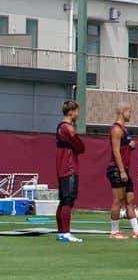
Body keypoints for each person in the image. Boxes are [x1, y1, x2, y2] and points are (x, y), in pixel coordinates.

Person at [106, 104, 138, 239]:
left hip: (125, 169)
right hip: (116, 169)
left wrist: (130, 145)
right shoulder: (116, 129)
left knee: (130, 200)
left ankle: (137, 231)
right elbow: (115, 151)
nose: (130, 114)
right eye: (129, 111)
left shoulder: (124, 130)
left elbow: (123, 147)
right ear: (122, 112)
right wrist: (121, 171)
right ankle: (114, 232)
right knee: (118, 201)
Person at [55, 99, 85, 243]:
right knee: (68, 200)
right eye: (77, 111)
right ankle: (66, 232)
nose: (78, 114)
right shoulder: (68, 128)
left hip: (62, 167)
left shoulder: (60, 127)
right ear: (71, 112)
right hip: (70, 167)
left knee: (63, 200)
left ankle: (61, 232)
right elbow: (80, 147)